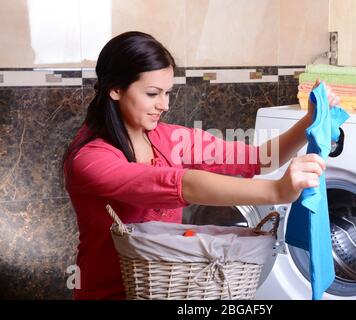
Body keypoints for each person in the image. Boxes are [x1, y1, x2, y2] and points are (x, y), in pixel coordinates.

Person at [63, 31, 339, 299]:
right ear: (115, 90)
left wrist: (309, 121)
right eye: (152, 93)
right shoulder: (90, 160)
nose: (164, 105)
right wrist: (277, 191)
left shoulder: (170, 138)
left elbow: (259, 158)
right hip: (108, 294)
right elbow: (184, 184)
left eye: (168, 93)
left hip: (170, 291)